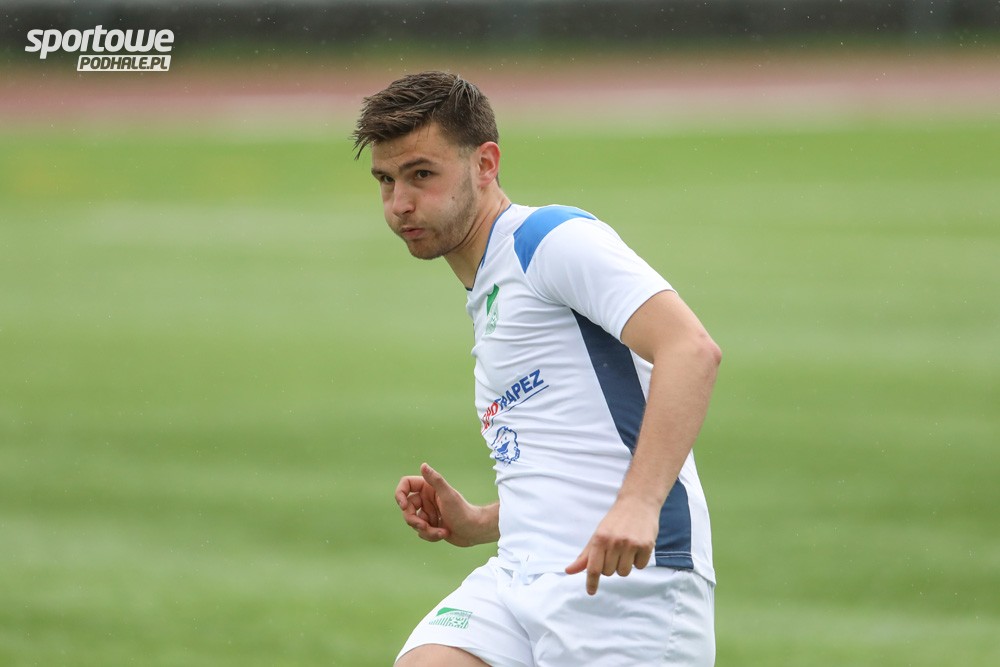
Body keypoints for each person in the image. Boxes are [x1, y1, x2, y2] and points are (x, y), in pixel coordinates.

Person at [353, 70, 721, 667]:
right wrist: (481, 522)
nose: (400, 204)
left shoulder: (548, 239)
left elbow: (691, 350)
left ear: (485, 164)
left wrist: (640, 504)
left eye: (421, 175)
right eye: (385, 180)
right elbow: (574, 458)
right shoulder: (489, 286)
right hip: (520, 571)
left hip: (625, 580)